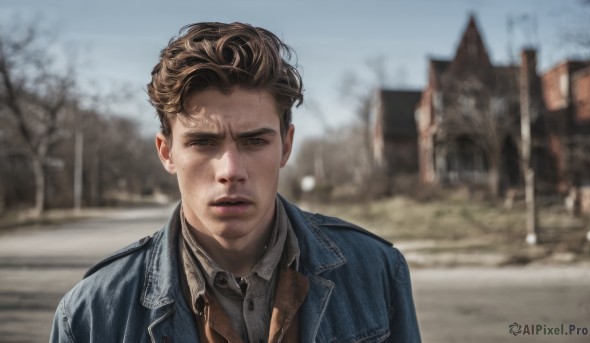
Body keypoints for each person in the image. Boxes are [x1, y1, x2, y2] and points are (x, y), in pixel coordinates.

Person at [50, 22, 421, 343]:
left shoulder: (378, 271)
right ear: (167, 153)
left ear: (285, 146)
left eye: (254, 141)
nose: (230, 169)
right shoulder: (90, 313)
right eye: (202, 142)